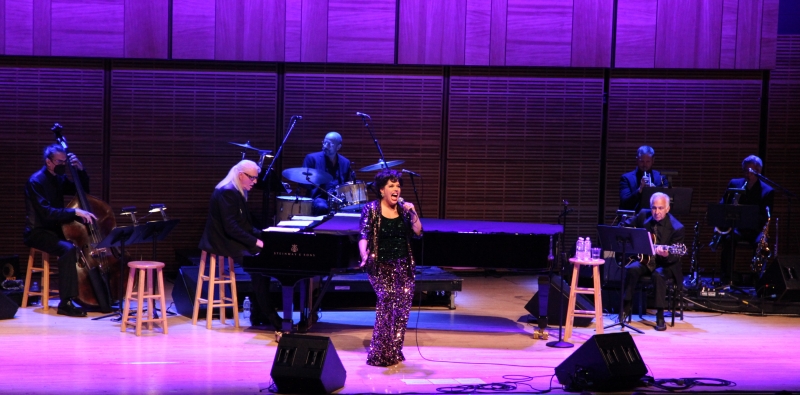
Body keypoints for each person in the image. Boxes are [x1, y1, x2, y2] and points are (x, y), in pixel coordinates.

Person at [198, 160, 282, 331]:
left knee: (262, 264)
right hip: (222, 241)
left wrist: (266, 235)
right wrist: (256, 241)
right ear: (240, 175)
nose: (255, 182)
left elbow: (244, 225)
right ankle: (270, 316)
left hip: (232, 237)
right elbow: (231, 228)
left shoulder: (237, 191)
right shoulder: (227, 193)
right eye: (252, 178)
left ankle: (259, 314)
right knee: (259, 265)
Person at [24, 144, 97, 317]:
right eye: (60, 161)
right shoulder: (36, 181)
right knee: (68, 249)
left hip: (55, 230)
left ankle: (91, 293)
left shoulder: (58, 178)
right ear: (49, 162)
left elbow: (81, 191)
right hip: (37, 232)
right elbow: (46, 213)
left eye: (66, 161)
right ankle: (66, 303)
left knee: (76, 244)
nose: (64, 165)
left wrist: (80, 170)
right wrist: (75, 211)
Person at [358, 169, 423, 366]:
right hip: (380, 265)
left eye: (398, 186)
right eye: (391, 186)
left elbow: (418, 231)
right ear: (381, 191)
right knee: (387, 304)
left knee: (402, 311)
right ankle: (379, 353)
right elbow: (363, 235)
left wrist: (413, 212)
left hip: (404, 265)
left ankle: (394, 350)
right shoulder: (371, 209)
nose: (396, 189)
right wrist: (364, 254)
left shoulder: (404, 210)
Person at [620, 192, 684, 331]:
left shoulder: (677, 227)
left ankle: (660, 316)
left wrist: (666, 254)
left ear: (667, 209)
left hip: (665, 264)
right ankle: (626, 307)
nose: (657, 212)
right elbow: (624, 226)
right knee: (632, 269)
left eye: (660, 208)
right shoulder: (644, 215)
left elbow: (675, 257)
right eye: (654, 208)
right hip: (646, 259)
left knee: (658, 275)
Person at [713, 155, 774, 286]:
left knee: (762, 245)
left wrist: (751, 217)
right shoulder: (735, 184)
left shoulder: (767, 191)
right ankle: (726, 277)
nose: (747, 174)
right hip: (737, 228)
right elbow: (723, 204)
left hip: (755, 229)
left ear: (759, 171)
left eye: (751, 171)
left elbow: (766, 216)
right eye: (745, 170)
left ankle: (757, 278)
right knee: (729, 239)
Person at [302, 131, 355, 215]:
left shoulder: (345, 162)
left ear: (338, 147)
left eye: (329, 144)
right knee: (322, 207)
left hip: (338, 198)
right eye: (324, 142)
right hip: (319, 197)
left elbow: (347, 184)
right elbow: (304, 182)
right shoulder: (312, 158)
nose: (325, 146)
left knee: (355, 209)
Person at [619, 145, 669, 212]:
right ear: (637, 160)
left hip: (655, 217)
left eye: (648, 161)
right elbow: (625, 203)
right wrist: (640, 189)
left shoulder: (661, 177)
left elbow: (667, 201)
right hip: (633, 219)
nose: (644, 165)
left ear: (653, 160)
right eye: (642, 161)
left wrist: (655, 191)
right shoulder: (626, 178)